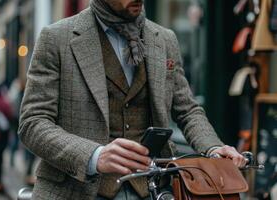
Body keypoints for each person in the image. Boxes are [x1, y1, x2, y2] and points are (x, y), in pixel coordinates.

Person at [19, 0, 247, 199]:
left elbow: (187, 110)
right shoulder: (56, 38)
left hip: (152, 188)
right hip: (77, 191)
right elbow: (33, 123)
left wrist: (213, 147)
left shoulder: (165, 39)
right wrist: (94, 156)